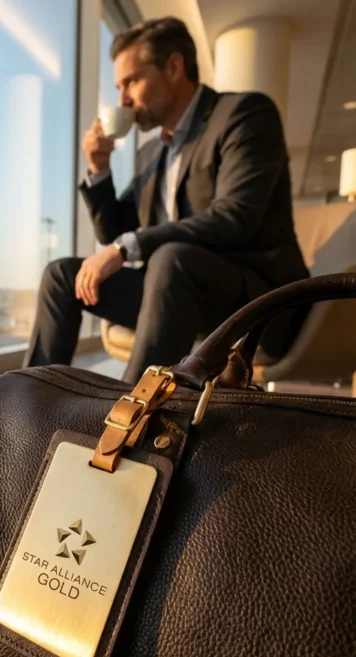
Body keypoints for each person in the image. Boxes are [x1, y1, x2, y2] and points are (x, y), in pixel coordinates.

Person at [24, 17, 309, 383]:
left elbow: (235, 217)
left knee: (170, 258)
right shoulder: (150, 155)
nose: (122, 98)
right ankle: (31, 402)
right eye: (118, 87)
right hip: (172, 294)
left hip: (255, 304)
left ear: (174, 67)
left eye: (131, 81)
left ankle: (126, 422)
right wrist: (98, 169)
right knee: (61, 275)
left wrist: (128, 247)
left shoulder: (244, 115)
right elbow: (113, 229)